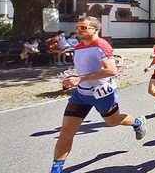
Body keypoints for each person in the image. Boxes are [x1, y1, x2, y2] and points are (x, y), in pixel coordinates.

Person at [51, 17, 147, 173]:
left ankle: (137, 123)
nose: (79, 30)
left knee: (113, 121)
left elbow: (111, 70)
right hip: (81, 94)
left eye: (83, 27)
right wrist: (72, 80)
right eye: (78, 27)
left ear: (96, 29)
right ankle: (56, 169)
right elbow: (85, 69)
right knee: (66, 131)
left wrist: (80, 78)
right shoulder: (79, 47)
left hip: (102, 93)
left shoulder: (101, 45)